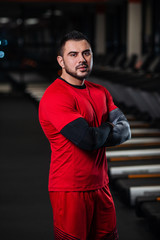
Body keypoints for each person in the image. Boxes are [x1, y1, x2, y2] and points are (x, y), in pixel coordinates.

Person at [39, 30, 131, 240]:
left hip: (101, 185)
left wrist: (100, 130)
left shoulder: (100, 91)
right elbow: (87, 140)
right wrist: (109, 126)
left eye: (86, 53)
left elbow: (126, 130)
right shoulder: (55, 96)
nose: (82, 59)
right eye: (73, 54)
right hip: (70, 190)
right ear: (61, 61)